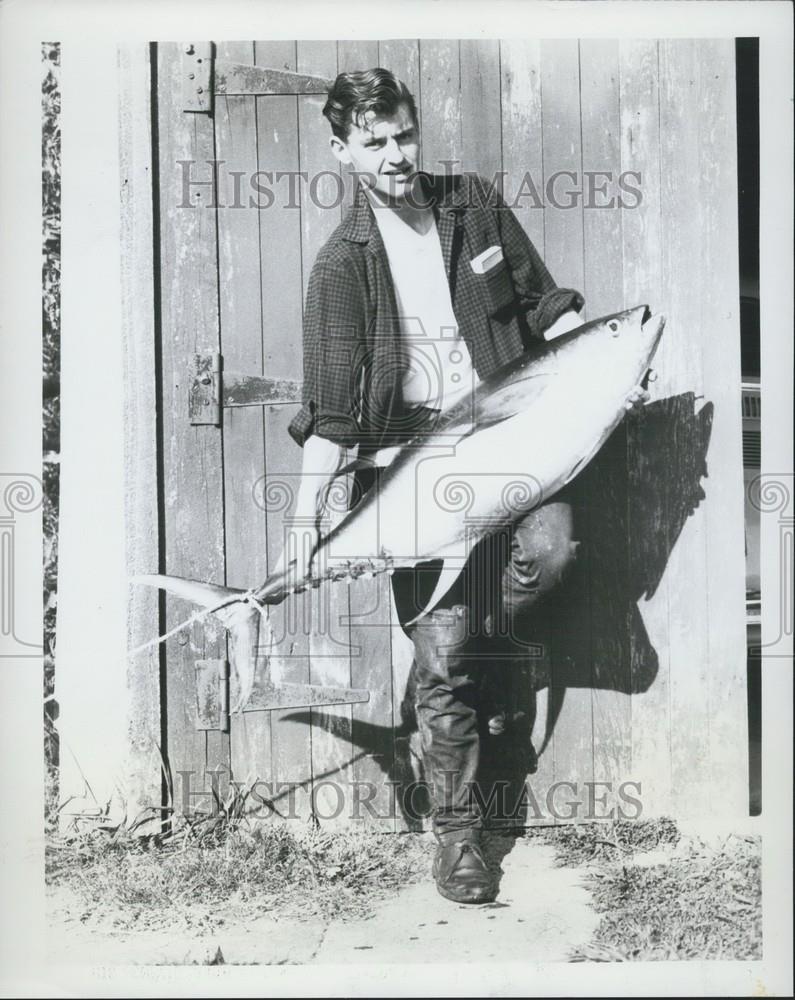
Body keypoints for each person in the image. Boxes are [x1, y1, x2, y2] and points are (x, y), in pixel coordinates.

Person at [276, 68, 648, 904]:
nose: (396, 154)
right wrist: (304, 523)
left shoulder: (471, 203)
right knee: (443, 669)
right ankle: (459, 841)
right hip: (411, 467)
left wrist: (602, 368)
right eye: (373, 143)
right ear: (343, 152)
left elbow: (544, 306)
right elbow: (334, 416)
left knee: (548, 555)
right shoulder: (341, 268)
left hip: (512, 436)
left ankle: (459, 628)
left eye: (404, 134)